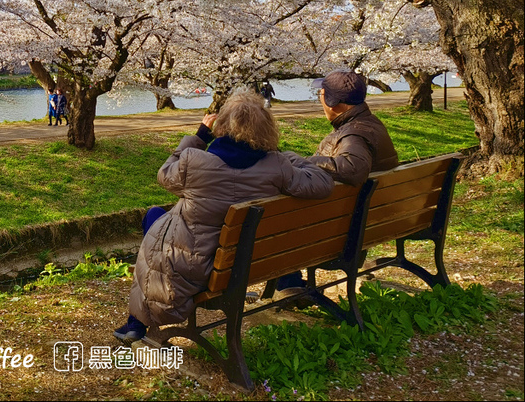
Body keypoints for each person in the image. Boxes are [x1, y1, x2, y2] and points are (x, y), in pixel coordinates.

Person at [112, 89, 334, 344]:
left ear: (222, 126)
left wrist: (198, 137)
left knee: (154, 216)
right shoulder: (277, 166)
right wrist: (283, 155)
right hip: (243, 264)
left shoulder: (195, 161)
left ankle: (136, 322)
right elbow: (322, 183)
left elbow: (164, 175)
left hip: (195, 267)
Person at [274, 69, 399, 295]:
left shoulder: (354, 134)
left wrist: (306, 161)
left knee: (275, 216)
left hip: (337, 235)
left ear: (332, 103)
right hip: (364, 225)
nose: (320, 100)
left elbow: (353, 168)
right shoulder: (370, 124)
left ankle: (289, 283)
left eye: (321, 94)